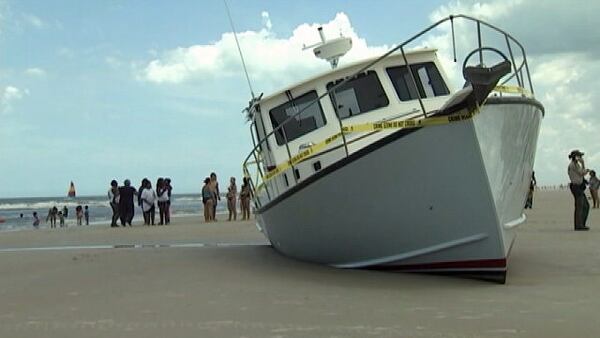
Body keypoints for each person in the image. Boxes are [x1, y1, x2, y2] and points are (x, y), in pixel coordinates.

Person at [568, 150, 590, 231]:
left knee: (584, 206)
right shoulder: (574, 165)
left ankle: (580, 224)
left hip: (577, 187)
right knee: (580, 206)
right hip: (577, 187)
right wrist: (583, 164)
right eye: (579, 156)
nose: (581, 157)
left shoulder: (574, 164)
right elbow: (582, 173)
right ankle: (579, 225)